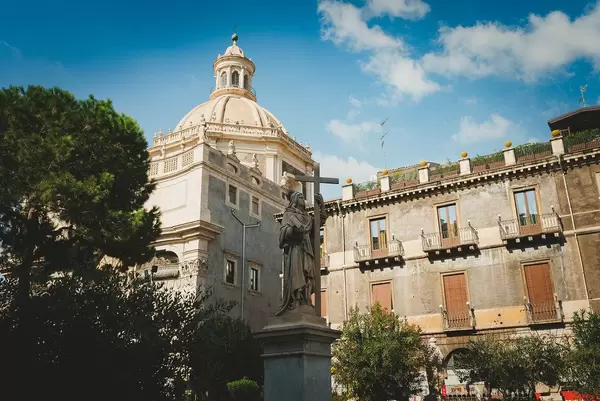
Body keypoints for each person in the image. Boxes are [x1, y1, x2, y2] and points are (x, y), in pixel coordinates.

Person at [276, 190, 325, 316]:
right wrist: (294, 230)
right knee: (297, 273)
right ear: (294, 200)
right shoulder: (288, 214)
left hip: (306, 248)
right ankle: (296, 299)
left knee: (307, 273)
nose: (303, 199)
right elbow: (283, 233)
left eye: (303, 197)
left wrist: (322, 206)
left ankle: (306, 300)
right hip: (295, 248)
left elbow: (320, 222)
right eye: (300, 197)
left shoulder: (308, 217)